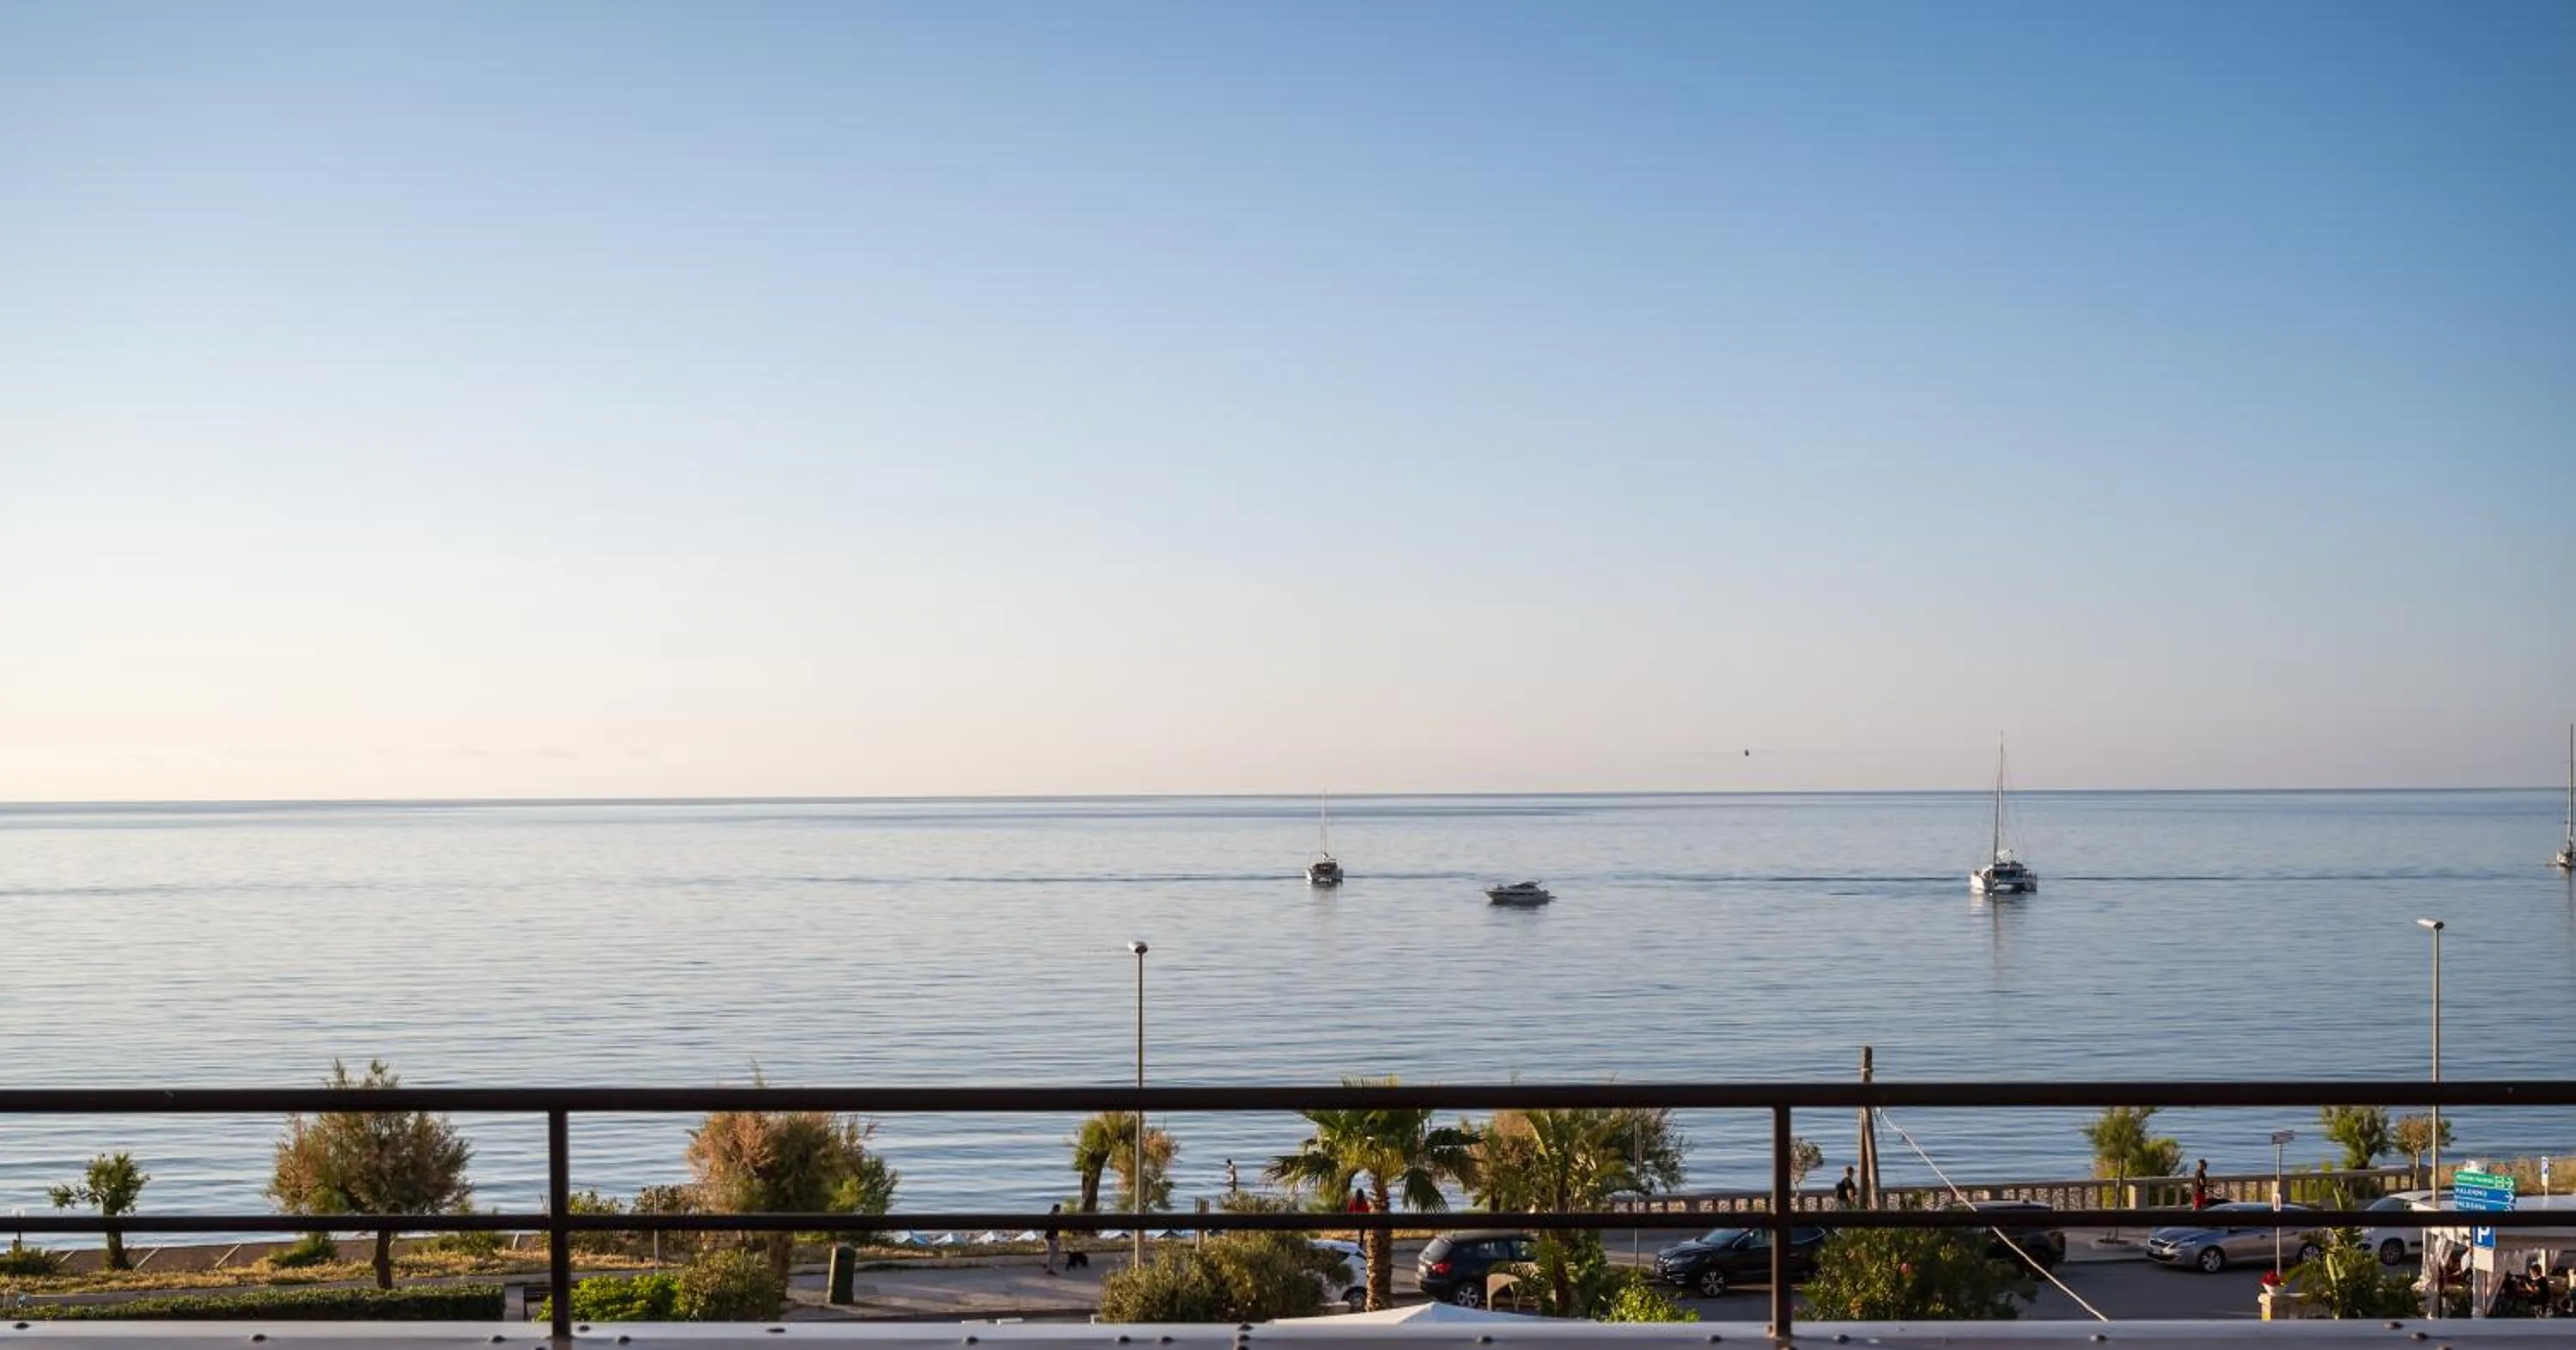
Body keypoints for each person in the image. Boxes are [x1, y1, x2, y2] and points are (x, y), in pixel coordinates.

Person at [1043, 1201, 1062, 1276]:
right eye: (1059, 1210)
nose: (1059, 1212)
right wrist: (1054, 1238)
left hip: (1052, 1237)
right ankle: (1050, 1269)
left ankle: (1047, 1265)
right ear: (1056, 1210)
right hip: (1051, 1238)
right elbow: (1050, 1229)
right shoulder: (1052, 1217)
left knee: (1055, 1252)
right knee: (1052, 1254)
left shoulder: (1052, 1216)